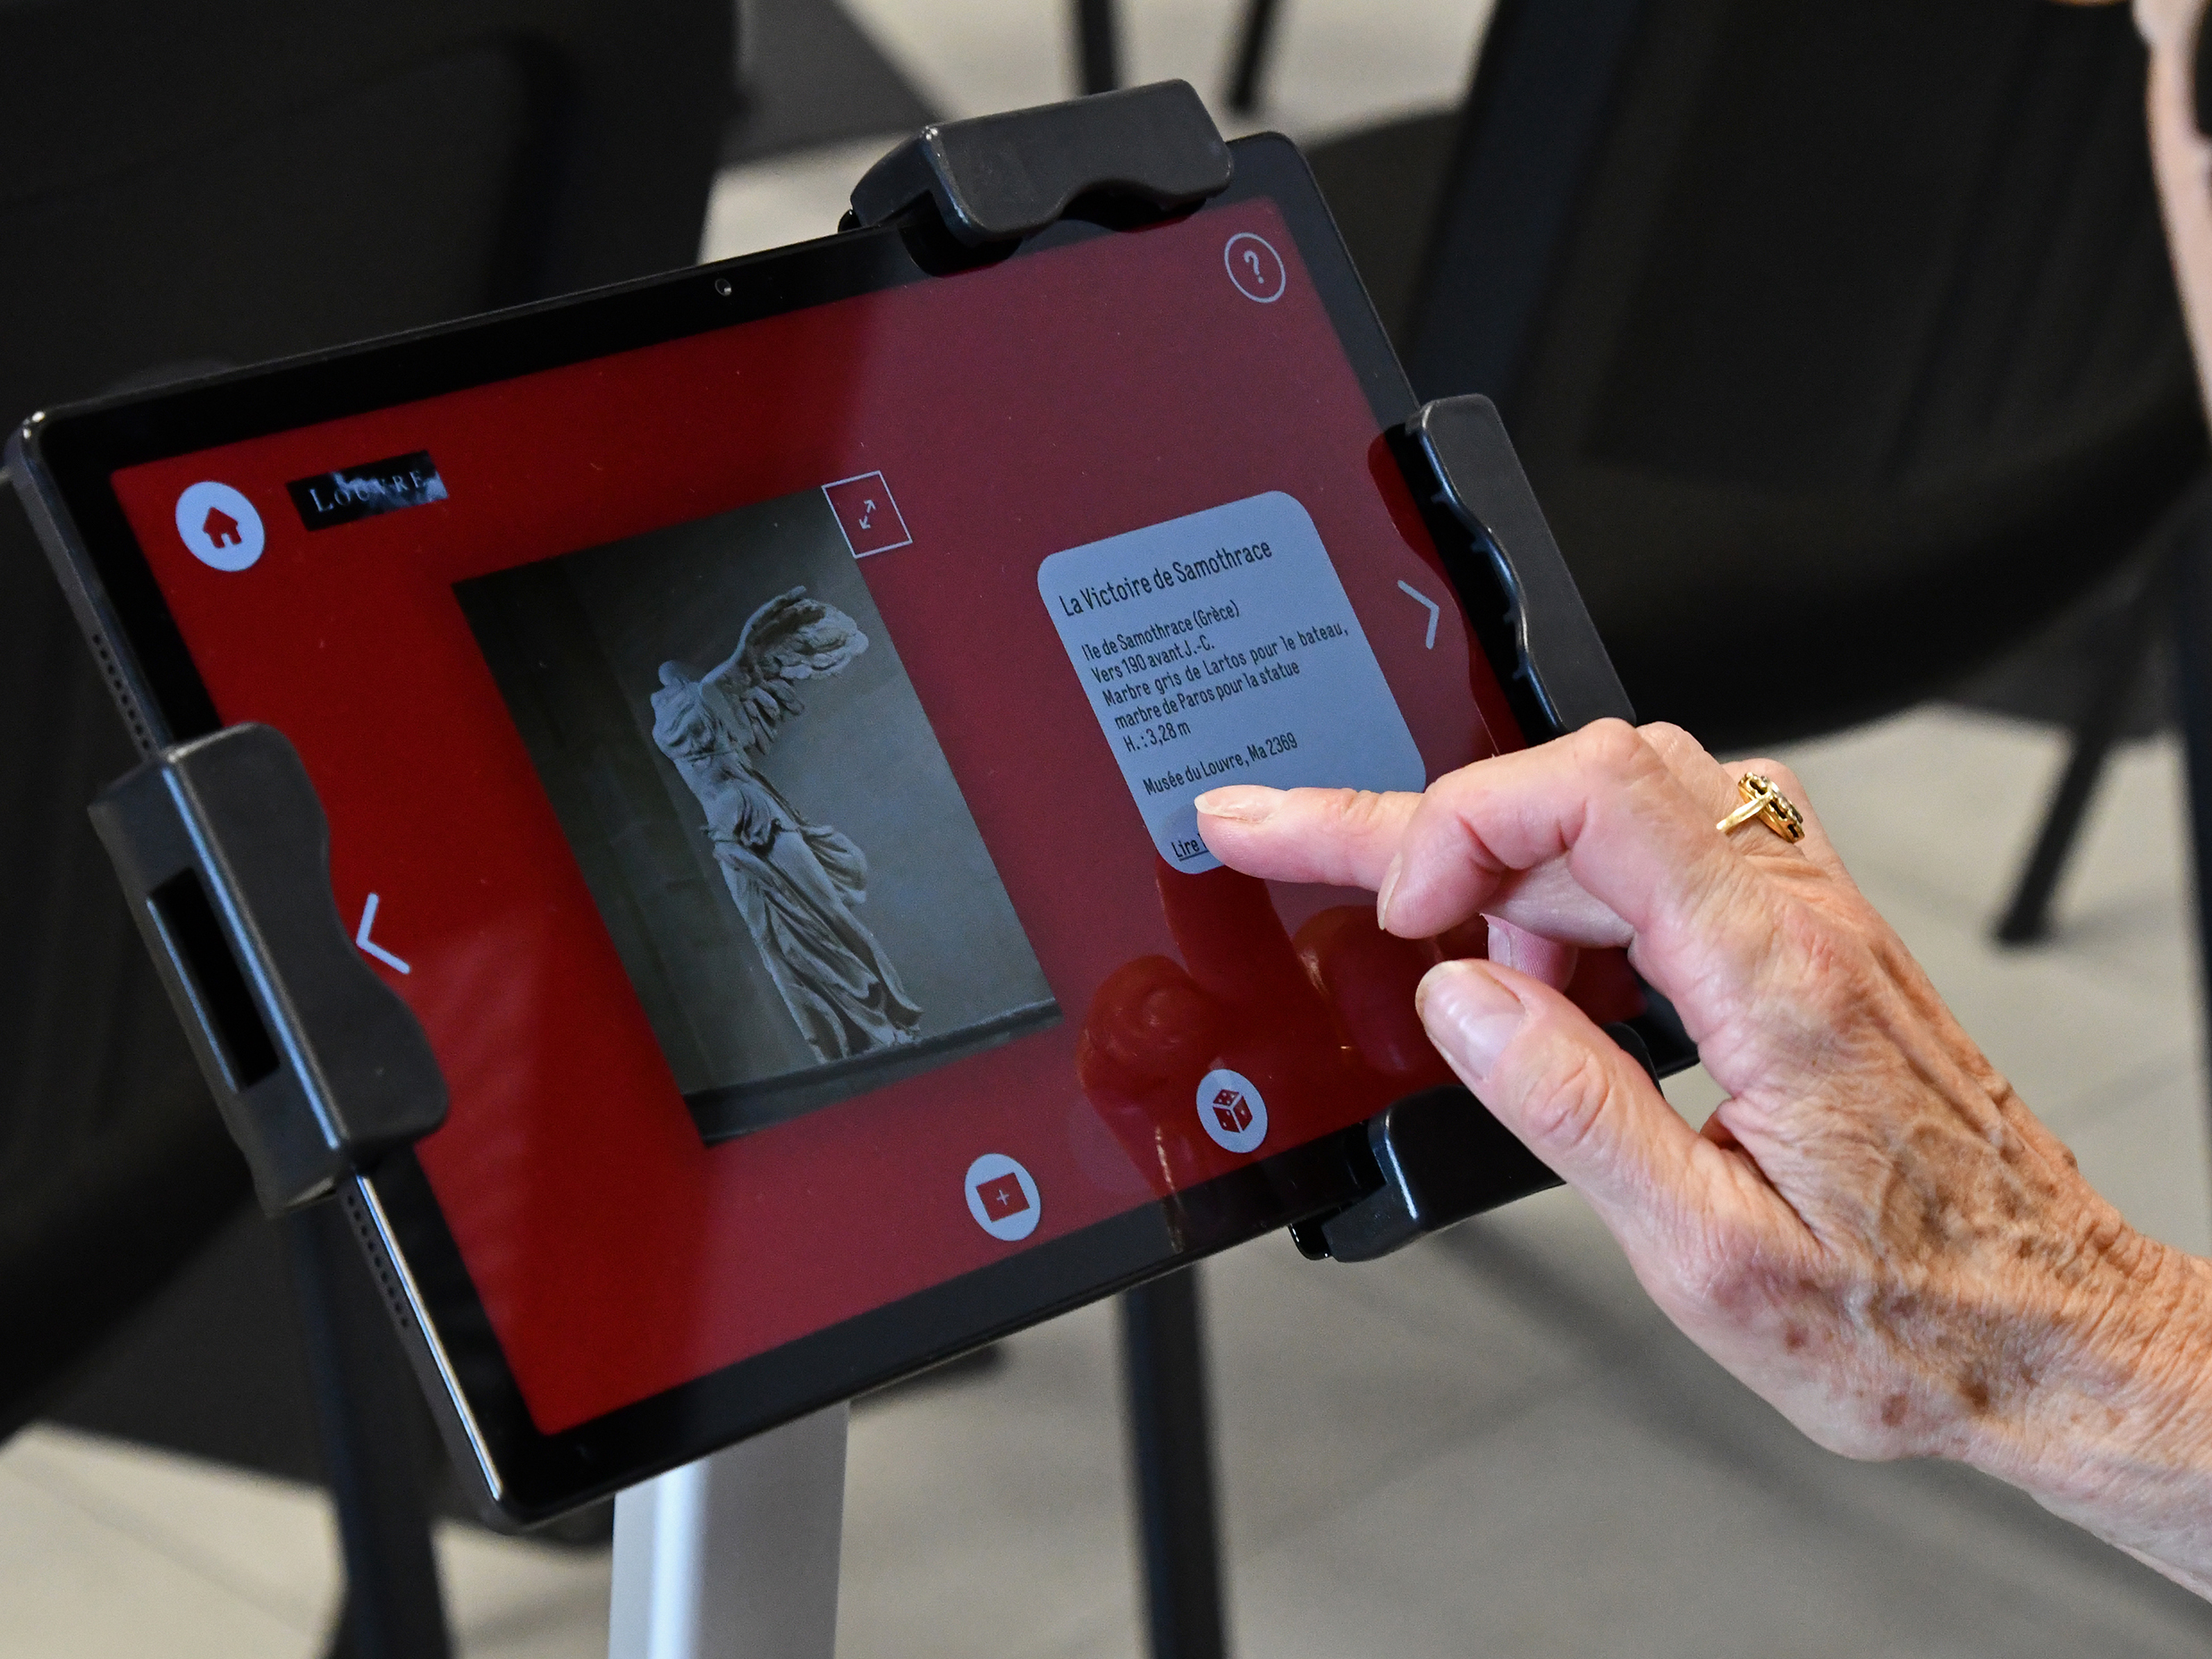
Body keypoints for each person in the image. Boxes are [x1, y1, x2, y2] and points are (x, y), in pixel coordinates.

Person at [1193, 0, 2212, 1600]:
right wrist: (1756, 823)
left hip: (1689, 440)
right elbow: (1756, 808)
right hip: (2070, 448)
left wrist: (2075, 1337)